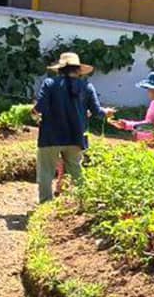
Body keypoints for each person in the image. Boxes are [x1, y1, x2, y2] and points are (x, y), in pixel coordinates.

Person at [32, 51, 112, 204]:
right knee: (76, 171)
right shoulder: (87, 86)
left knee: (46, 173)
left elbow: (39, 107)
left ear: (60, 69)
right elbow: (97, 111)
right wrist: (106, 112)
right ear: (78, 70)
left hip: (50, 136)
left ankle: (45, 206)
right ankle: (85, 201)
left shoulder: (49, 83)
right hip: (76, 137)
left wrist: (33, 113)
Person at [111, 72, 154, 149]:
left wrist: (140, 134)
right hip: (147, 141)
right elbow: (148, 123)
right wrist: (127, 125)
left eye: (149, 89)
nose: (147, 92)